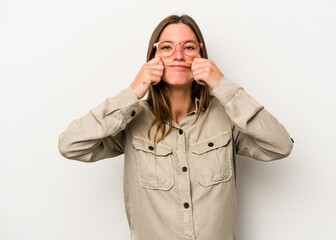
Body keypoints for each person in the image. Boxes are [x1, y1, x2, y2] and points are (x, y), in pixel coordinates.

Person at [58, 14, 294, 240]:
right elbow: (71, 145)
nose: (178, 55)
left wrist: (222, 85)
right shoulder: (131, 120)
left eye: (189, 47)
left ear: (201, 56)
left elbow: (280, 145)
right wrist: (133, 92)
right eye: (167, 47)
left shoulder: (227, 117)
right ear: (153, 56)